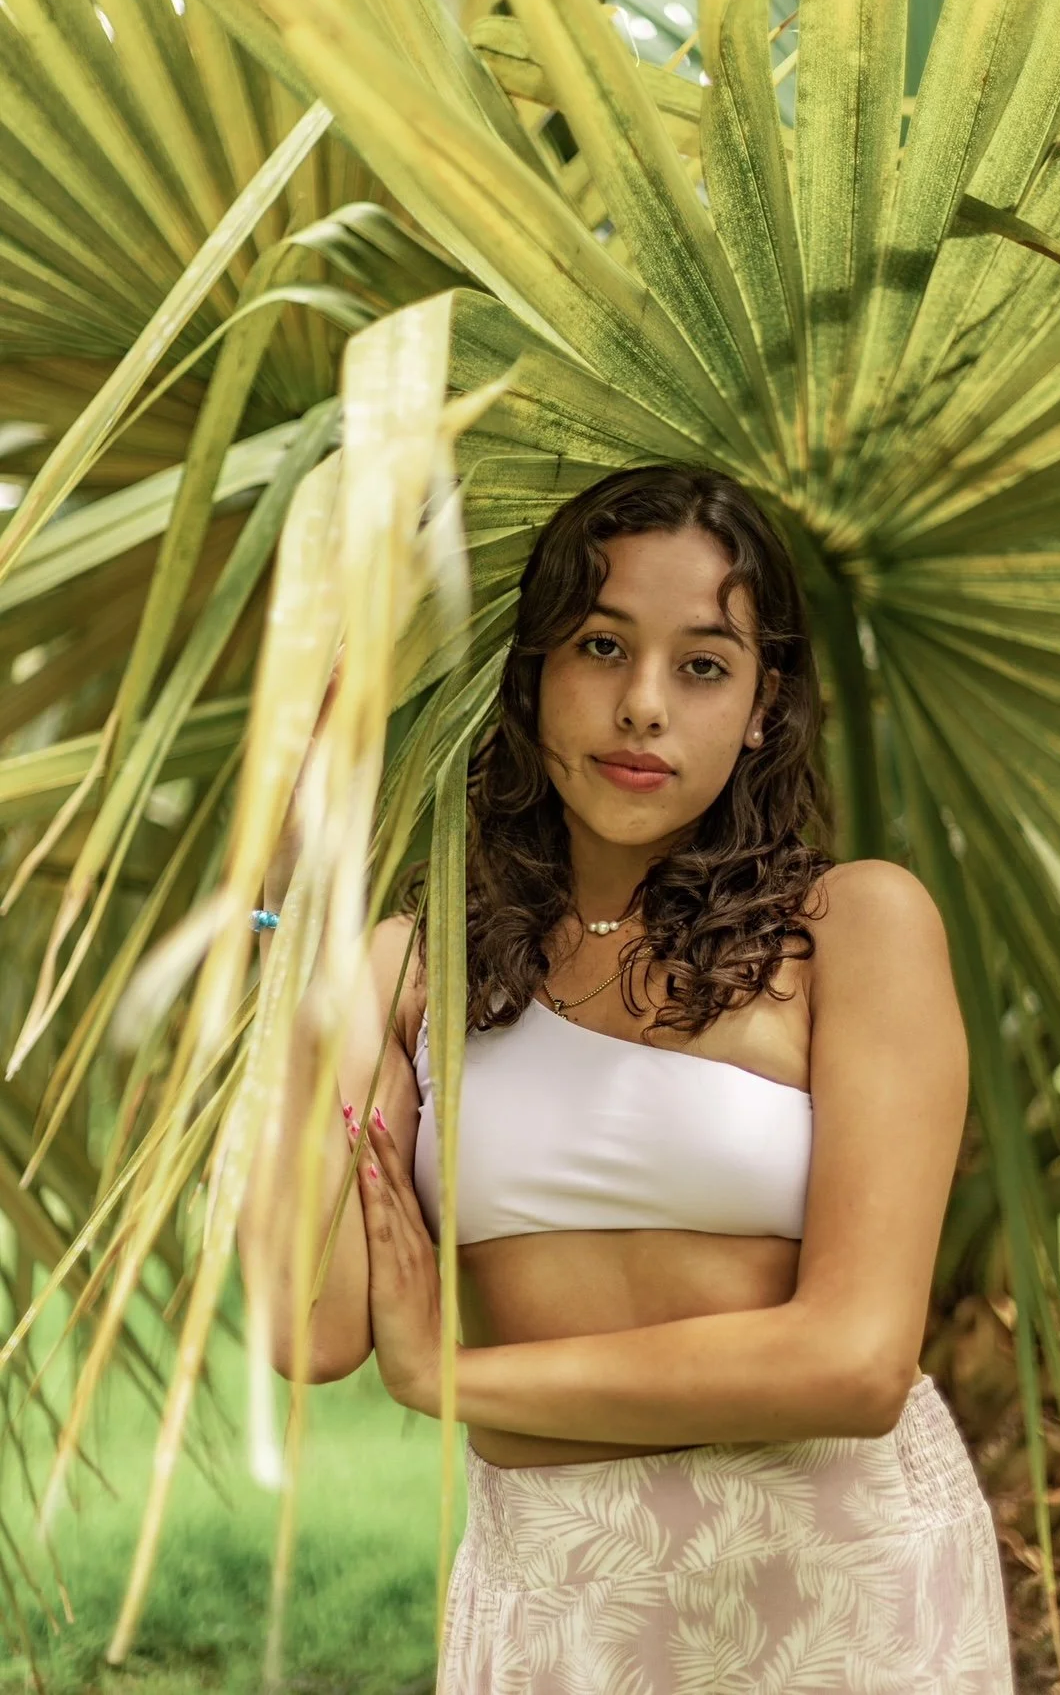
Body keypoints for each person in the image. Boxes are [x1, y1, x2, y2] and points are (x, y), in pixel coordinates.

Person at [240, 465, 1016, 1693]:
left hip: (838, 1590)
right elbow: (311, 1322)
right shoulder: (415, 963)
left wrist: (453, 1378)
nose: (643, 704)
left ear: (764, 704)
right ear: (533, 673)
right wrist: (301, 882)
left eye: (703, 663)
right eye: (601, 645)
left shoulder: (853, 929)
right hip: (560, 1597)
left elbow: (857, 1362)